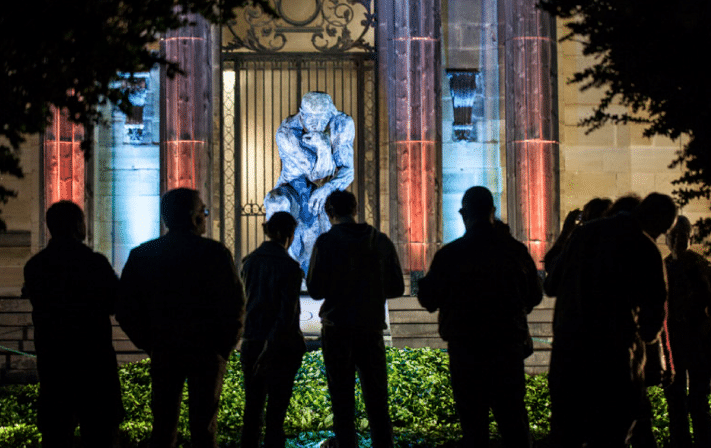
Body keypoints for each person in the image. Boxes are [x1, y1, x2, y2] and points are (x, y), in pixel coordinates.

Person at [544, 192, 677, 448]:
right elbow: (652, 320)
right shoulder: (644, 248)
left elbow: (551, 285)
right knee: (609, 438)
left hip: (568, 358)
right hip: (612, 363)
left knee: (565, 436)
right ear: (655, 219)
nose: (659, 237)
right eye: (661, 230)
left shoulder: (583, 235)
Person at [117, 188, 245, 448]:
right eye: (204, 212)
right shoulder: (215, 253)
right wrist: (224, 346)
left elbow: (126, 307)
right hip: (206, 351)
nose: (206, 218)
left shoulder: (143, 255)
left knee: (163, 427)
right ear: (194, 217)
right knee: (204, 429)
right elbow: (234, 304)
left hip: (165, 348)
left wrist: (148, 342)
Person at [417, 186, 542, 448]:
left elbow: (428, 299)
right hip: (506, 347)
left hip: (466, 350)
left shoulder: (451, 255)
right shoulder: (515, 252)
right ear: (492, 212)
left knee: (474, 428)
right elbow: (534, 295)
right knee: (513, 423)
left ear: (464, 214)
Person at [306, 190, 404, 448]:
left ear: (330, 213)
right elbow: (396, 287)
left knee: (342, 401)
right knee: (377, 400)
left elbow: (315, 289)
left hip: (337, 328)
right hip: (370, 328)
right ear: (355, 209)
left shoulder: (326, 243)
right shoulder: (379, 241)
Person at [23, 200, 123, 448]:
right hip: (94, 362)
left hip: (54, 361)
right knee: (101, 434)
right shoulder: (94, 263)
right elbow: (115, 303)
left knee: (56, 434)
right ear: (78, 225)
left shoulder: (36, 266)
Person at [264, 91, 355, 275]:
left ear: (330, 114)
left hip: (325, 190)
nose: (314, 122)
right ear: (301, 113)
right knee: (276, 202)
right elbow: (316, 173)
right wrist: (322, 147)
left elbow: (348, 170)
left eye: (320, 118)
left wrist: (327, 189)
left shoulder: (342, 124)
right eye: (309, 116)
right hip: (293, 187)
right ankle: (280, 265)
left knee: (319, 254)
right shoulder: (287, 131)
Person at [240, 211, 306, 448]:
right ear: (287, 234)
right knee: (276, 416)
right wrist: (270, 348)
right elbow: (286, 314)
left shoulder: (248, 262)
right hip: (282, 347)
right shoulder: (290, 268)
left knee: (252, 409)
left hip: (252, 342)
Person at [663, 215, 711, 448]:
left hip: (693, 341)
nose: (678, 241)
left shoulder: (697, 265)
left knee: (692, 400)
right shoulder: (696, 265)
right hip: (681, 341)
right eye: (675, 236)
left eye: (681, 236)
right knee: (681, 400)